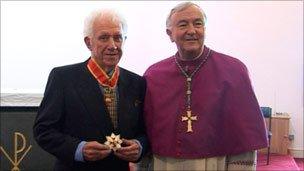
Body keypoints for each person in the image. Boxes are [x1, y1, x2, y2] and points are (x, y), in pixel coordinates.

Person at [143, 2, 268, 170]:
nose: (192, 30)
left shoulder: (234, 70)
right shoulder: (154, 75)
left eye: (198, 23)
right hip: (166, 163)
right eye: (183, 24)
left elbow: (244, 135)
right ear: (170, 34)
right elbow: (145, 129)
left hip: (216, 162)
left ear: (205, 29)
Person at [33, 8, 148, 171]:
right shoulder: (63, 78)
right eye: (104, 38)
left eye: (118, 37)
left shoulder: (137, 82)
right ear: (89, 42)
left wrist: (139, 146)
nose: (113, 46)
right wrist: (78, 149)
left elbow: (145, 130)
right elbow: (43, 131)